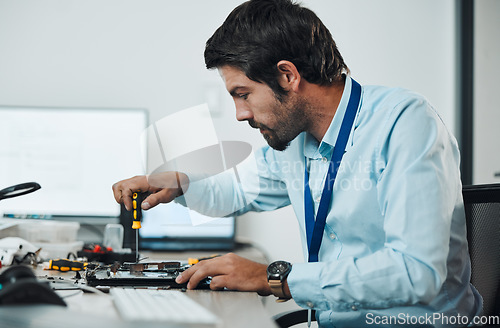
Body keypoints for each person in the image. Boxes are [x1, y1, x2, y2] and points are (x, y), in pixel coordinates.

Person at [112, 0, 482, 326]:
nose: (240, 114)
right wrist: (179, 183)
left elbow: (416, 272)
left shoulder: (404, 123)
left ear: (288, 76)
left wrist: (277, 277)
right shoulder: (293, 142)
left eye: (243, 94)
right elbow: (237, 191)